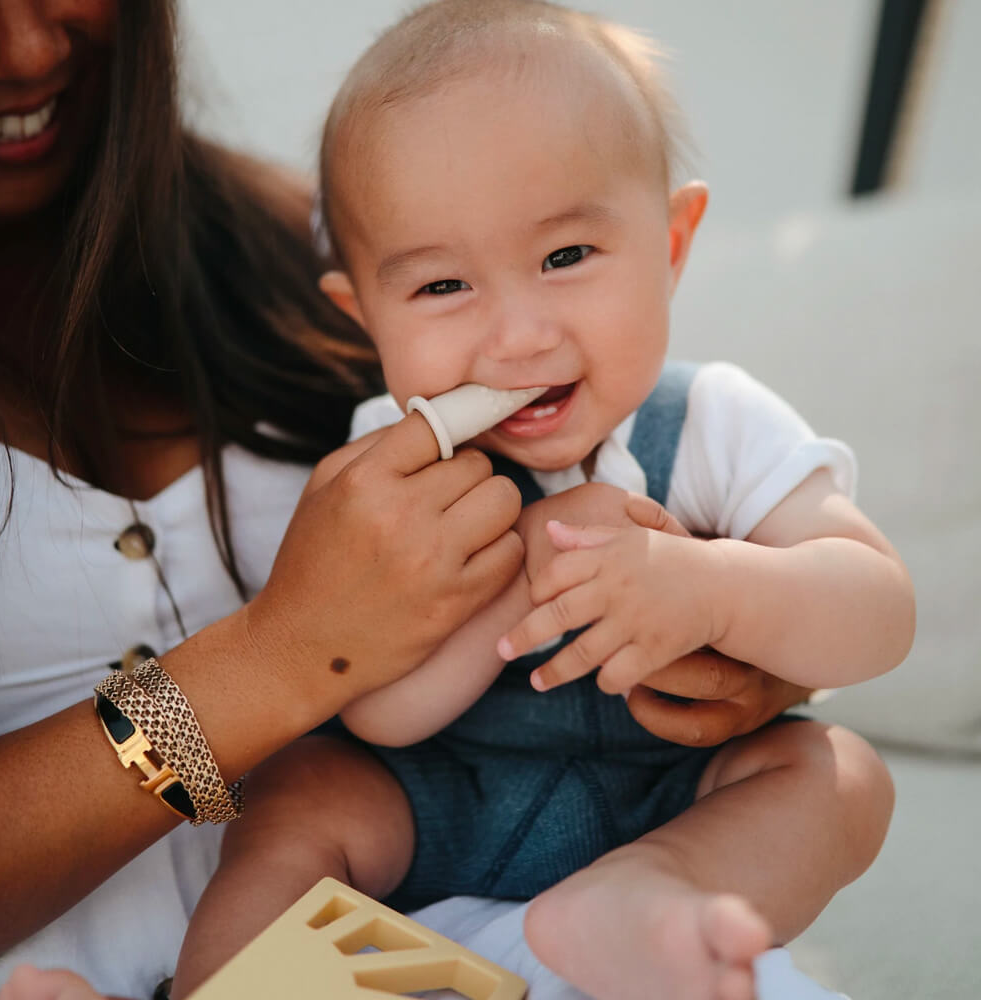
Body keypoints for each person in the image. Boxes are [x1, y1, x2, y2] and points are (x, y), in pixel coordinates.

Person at [0, 2, 814, 998]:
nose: (26, 46)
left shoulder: (323, 244)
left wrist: (751, 635)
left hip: (431, 933)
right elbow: (363, 698)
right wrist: (283, 657)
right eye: (444, 288)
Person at [168, 3, 913, 1000]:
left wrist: (710, 585)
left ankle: (645, 900)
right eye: (440, 287)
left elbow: (876, 611)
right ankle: (228, 984)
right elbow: (380, 711)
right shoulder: (388, 464)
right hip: (435, 798)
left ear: (672, 242)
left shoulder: (711, 422)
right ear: (365, 317)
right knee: (298, 792)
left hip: (671, 799)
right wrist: (522, 568)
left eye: (566, 258)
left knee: (841, 775)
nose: (516, 336)